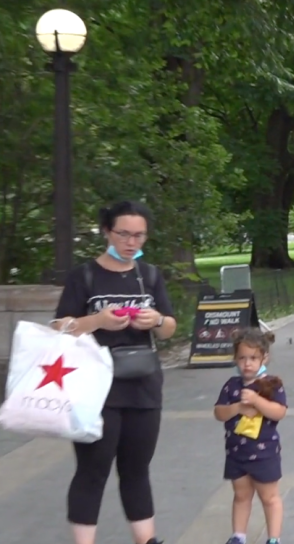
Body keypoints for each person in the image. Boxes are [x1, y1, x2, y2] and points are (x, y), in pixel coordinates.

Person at [52, 200, 177, 544]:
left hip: (143, 387)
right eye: (123, 233)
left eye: (139, 235)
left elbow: (169, 328)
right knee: (93, 471)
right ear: (107, 231)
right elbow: (60, 327)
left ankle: (147, 540)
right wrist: (98, 321)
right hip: (95, 392)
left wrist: (157, 321)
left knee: (136, 469)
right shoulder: (85, 276)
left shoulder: (149, 275)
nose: (131, 242)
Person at [214, 328, 286, 544]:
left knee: (269, 497)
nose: (247, 363)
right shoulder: (231, 385)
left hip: (264, 454)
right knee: (241, 495)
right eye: (242, 358)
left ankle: (274, 538)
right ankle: (238, 536)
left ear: (264, 357)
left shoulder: (271, 384)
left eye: (253, 358)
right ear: (235, 359)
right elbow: (219, 412)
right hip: (237, 452)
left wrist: (256, 401)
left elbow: (279, 411)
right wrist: (237, 407)